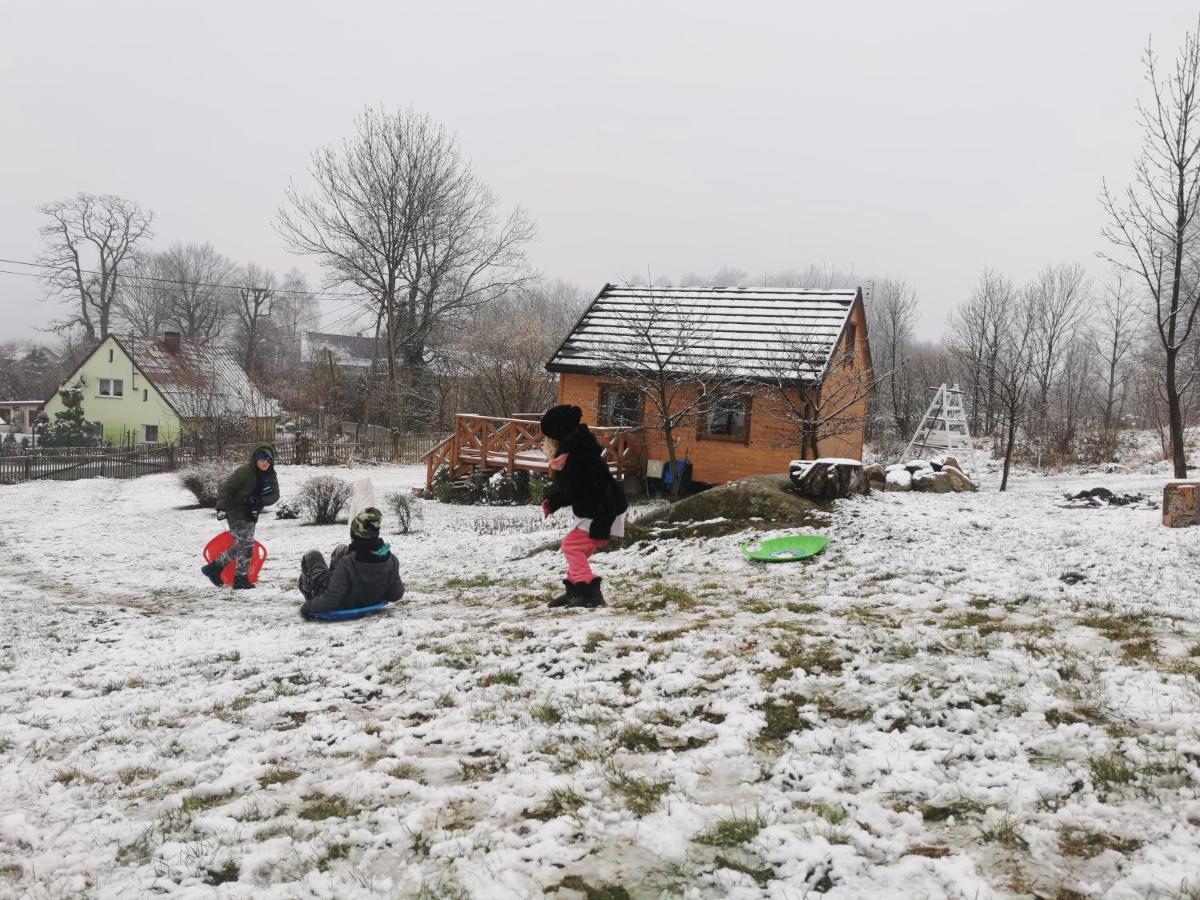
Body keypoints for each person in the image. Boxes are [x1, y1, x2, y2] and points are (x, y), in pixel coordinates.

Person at [540, 404, 628, 609]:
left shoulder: (581, 458)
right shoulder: (574, 454)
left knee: (571, 546)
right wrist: (552, 502)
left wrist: (601, 525)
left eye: (547, 437)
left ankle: (590, 592)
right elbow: (573, 489)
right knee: (577, 550)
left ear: (557, 437)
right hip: (594, 510)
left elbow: (604, 489)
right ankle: (575, 591)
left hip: (602, 511)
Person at [298, 508, 406, 619]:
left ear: (355, 533)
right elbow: (396, 594)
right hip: (365, 596)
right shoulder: (391, 560)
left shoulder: (349, 562)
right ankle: (335, 580)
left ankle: (310, 596)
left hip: (343, 601)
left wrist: (307, 608)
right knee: (341, 549)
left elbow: (331, 600)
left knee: (313, 556)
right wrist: (378, 586)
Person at [201, 444, 280, 590]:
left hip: (252, 512)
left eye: (269, 460)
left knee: (242, 545)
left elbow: (275, 495)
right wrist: (221, 507)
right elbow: (228, 488)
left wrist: (260, 501)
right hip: (236, 510)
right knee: (247, 546)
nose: (265, 463)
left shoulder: (270, 475)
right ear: (256, 459)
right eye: (262, 459)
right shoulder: (245, 471)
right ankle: (240, 579)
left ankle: (214, 567)